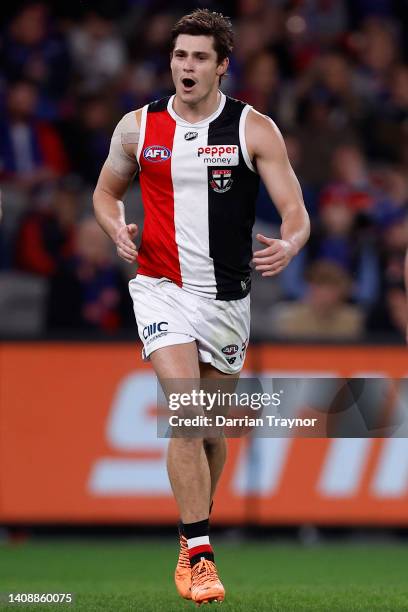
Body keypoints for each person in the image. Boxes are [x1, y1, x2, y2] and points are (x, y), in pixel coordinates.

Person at [93, 9, 310, 605]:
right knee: (187, 411)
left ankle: (190, 539)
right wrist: (116, 229)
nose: (186, 67)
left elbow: (295, 211)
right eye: (179, 56)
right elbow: (106, 192)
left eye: (199, 58)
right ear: (171, 61)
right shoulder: (136, 129)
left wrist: (290, 243)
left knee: (210, 430)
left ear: (221, 66)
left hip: (227, 299)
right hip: (160, 286)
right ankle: (202, 552)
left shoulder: (253, 129)